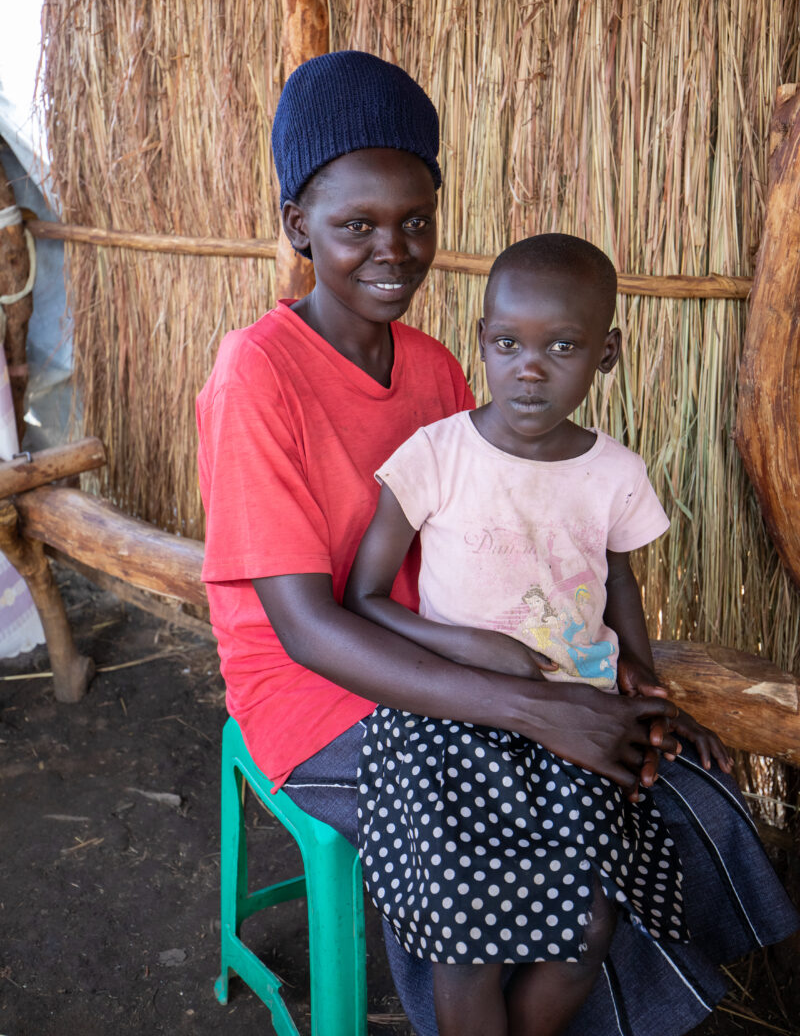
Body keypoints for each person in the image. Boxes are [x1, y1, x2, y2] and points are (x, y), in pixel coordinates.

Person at [196, 53, 797, 1035]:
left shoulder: (432, 365)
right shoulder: (254, 376)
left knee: (653, 781)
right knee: (523, 847)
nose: (391, 250)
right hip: (315, 696)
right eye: (355, 226)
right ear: (297, 226)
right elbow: (305, 630)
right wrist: (534, 710)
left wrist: (613, 688)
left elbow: (520, 544)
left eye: (414, 221)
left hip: (451, 650)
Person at [344, 233, 737, 1034]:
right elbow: (363, 597)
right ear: (481, 339)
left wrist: (644, 678)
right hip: (446, 722)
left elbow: (619, 579)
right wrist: (467, 645)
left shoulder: (615, 474)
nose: (531, 366)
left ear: (607, 354)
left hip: (574, 719)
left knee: (587, 928)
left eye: (563, 346)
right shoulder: (436, 456)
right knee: (463, 937)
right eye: (509, 343)